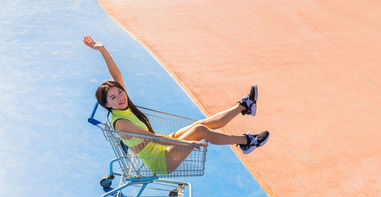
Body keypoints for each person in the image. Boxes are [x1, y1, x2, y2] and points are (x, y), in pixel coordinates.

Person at [83, 36, 269, 174]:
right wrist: (185, 143)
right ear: (107, 105)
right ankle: (247, 141)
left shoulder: (123, 106)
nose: (120, 97)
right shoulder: (121, 122)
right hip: (161, 160)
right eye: (113, 98)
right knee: (201, 131)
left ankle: (244, 106)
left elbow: (117, 76)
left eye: (120, 92)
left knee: (199, 125)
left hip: (161, 150)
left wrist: (103, 50)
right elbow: (154, 138)